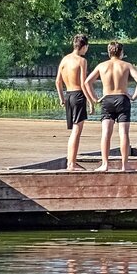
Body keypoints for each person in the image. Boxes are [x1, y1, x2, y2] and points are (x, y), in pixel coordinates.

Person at [83, 41, 137, 172]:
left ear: (109, 52)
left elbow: (87, 82)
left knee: (106, 133)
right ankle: (125, 165)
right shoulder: (126, 65)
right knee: (124, 133)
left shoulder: (102, 66)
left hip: (107, 99)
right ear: (121, 52)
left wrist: (94, 98)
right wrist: (134, 96)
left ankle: (105, 164)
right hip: (122, 98)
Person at [55, 34, 92, 171]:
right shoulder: (81, 61)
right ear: (84, 47)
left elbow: (58, 81)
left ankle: (71, 161)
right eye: (87, 47)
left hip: (68, 95)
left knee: (74, 131)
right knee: (76, 131)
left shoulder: (64, 60)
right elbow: (83, 84)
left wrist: (61, 98)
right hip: (78, 95)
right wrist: (90, 101)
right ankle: (72, 163)